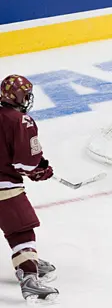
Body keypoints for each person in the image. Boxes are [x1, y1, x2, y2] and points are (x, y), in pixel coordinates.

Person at [0, 74, 59, 303]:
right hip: (4, 187)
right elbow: (25, 163)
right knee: (20, 230)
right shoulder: (21, 121)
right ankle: (29, 277)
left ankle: (28, 259)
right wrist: (40, 170)